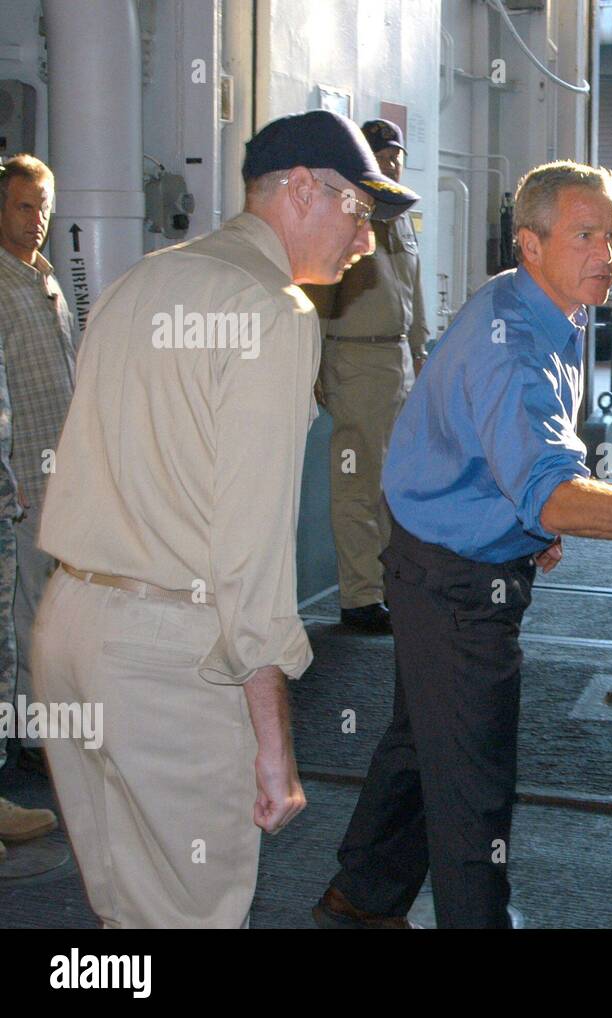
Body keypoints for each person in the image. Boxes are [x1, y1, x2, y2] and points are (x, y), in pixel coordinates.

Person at [314, 159, 612, 930]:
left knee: (423, 740)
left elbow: (514, 461)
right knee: (472, 781)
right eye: (585, 235)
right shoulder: (514, 343)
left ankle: (358, 900)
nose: (607, 255)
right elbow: (554, 490)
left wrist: (529, 524)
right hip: (454, 580)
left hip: (446, 549)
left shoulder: (540, 306)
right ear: (530, 244)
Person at [32, 110, 418, 928]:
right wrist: (273, 743)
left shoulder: (141, 281)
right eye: (360, 212)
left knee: (124, 911)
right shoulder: (274, 311)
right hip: (165, 654)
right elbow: (250, 548)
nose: (367, 241)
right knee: (190, 912)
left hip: (68, 627)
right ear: (303, 190)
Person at [305, 118, 430, 633]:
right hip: (355, 360)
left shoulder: (398, 218)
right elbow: (318, 295)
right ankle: (359, 598)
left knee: (393, 483)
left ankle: (387, 586)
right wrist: (314, 363)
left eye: (395, 156)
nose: (391, 164)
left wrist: (420, 352)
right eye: (380, 157)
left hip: (398, 359)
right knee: (357, 482)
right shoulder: (347, 217)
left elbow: (413, 293)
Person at [0, 155, 77, 781]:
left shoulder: (46, 280)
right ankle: (30, 735)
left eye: (44, 208)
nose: (37, 220)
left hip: (60, 478)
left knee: (55, 608)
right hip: (20, 478)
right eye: (25, 206)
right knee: (26, 610)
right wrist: (11, 480)